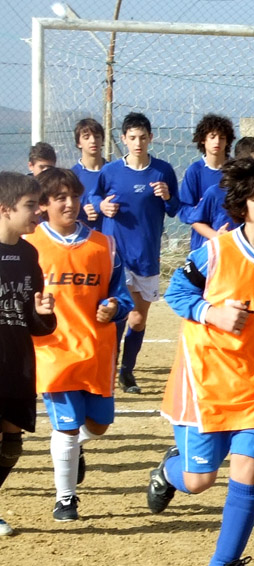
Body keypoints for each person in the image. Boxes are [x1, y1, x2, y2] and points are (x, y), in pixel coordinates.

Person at [144, 156, 254, 566]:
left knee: (248, 467)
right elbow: (177, 293)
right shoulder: (216, 250)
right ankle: (168, 470)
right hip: (207, 378)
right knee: (200, 480)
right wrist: (211, 312)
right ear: (242, 205)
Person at [28, 168, 133, 521]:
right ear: (43, 205)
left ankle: (71, 451)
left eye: (74, 196)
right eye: (60, 198)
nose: (70, 203)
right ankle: (66, 499)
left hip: (96, 351)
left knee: (99, 424)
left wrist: (115, 307)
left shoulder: (103, 244)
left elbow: (120, 294)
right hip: (54, 351)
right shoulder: (30, 246)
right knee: (67, 426)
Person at [88, 112, 179, 395]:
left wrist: (167, 196)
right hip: (117, 255)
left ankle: (127, 370)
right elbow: (93, 197)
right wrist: (102, 207)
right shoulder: (111, 171)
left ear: (150, 139)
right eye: (132, 137)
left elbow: (176, 209)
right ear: (124, 139)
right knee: (117, 313)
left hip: (147, 256)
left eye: (143, 137)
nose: (138, 142)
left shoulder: (162, 171)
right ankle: (110, 368)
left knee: (138, 319)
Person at [0, 171, 56, 535]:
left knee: (12, 442)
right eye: (31, 206)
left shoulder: (29, 253)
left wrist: (44, 314)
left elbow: (36, 325)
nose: (39, 213)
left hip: (18, 362)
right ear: (5, 210)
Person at [190, 137, 254, 243]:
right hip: (225, 252)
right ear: (241, 163)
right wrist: (216, 236)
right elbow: (196, 221)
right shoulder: (217, 192)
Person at [180, 114, 236, 251]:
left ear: (228, 141)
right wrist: (214, 235)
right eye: (212, 137)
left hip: (234, 241)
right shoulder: (195, 171)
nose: (217, 141)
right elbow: (185, 209)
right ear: (203, 140)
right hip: (203, 244)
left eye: (222, 137)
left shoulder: (237, 170)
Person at [71, 118, 105, 229]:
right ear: (78, 143)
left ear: (102, 140)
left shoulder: (114, 172)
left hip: (111, 236)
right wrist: (81, 211)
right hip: (83, 238)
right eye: (86, 137)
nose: (93, 141)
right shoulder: (72, 176)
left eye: (97, 136)